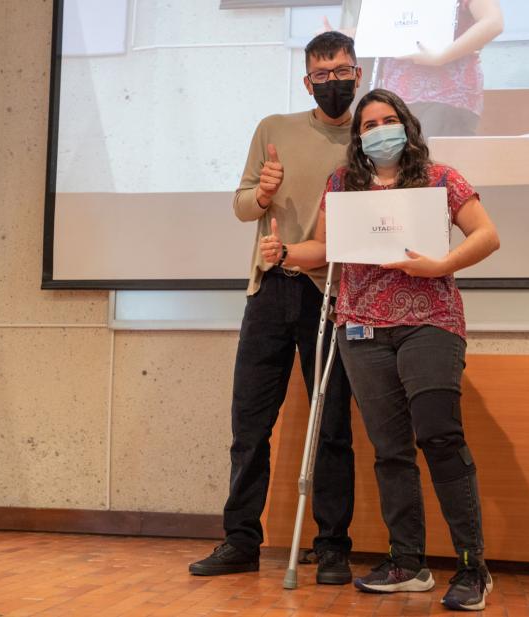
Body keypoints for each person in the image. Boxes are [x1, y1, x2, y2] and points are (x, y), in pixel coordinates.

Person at [259, 88, 500, 610]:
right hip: (361, 329)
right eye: (368, 125)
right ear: (358, 137)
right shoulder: (343, 184)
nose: (379, 131)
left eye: (388, 121)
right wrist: (285, 253)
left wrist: (441, 265)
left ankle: (471, 566)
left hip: (429, 323)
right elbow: (324, 249)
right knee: (390, 450)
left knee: (439, 436)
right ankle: (408, 563)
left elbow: (487, 235)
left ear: (406, 126)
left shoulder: (440, 178)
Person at [189, 31, 361, 585]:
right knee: (249, 424)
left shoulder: (370, 135)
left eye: (342, 72)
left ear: (358, 74)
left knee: (331, 426)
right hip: (268, 289)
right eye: (322, 75)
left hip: (330, 293)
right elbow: (242, 206)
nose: (333, 82)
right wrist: (263, 193)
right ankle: (241, 540)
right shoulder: (274, 129)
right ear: (307, 81)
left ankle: (332, 547)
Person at [333, 0, 504, 136]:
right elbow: (389, 26)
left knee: (437, 164)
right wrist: (339, 37)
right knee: (405, 166)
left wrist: (442, 57)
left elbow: (493, 21)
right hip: (397, 99)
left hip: (446, 97)